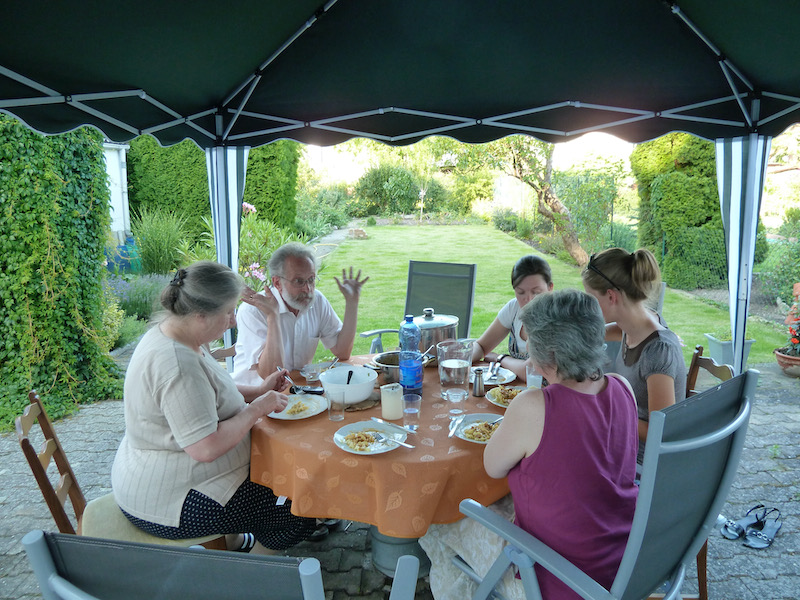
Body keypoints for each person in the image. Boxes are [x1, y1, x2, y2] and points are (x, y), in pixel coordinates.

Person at [420, 289, 639, 600]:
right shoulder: (622, 387)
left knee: (439, 521)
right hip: (621, 560)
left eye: (531, 343)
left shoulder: (535, 406)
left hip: (559, 575)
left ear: (548, 354)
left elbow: (493, 467)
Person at [111, 261, 315, 554]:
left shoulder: (179, 334)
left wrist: (257, 391)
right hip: (169, 501)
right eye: (229, 312)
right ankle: (247, 575)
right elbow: (205, 447)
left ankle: (232, 543)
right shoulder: (176, 364)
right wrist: (257, 408)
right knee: (297, 508)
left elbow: (212, 391)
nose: (233, 321)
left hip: (176, 479)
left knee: (280, 477)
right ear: (201, 315)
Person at [581, 247, 686, 463]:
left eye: (591, 299)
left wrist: (608, 408)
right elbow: (603, 333)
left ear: (611, 296)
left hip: (641, 464)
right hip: (621, 442)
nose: (587, 307)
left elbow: (661, 431)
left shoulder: (658, 351)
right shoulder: (633, 325)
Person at [232, 242, 368, 385]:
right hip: (254, 400)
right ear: (277, 283)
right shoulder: (253, 311)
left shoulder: (317, 300)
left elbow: (342, 352)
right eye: (299, 281)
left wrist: (352, 303)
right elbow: (270, 375)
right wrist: (273, 316)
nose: (308, 289)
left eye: (311, 279)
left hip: (297, 392)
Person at [471, 254, 553, 382]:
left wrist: (500, 358)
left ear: (550, 288)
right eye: (521, 292)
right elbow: (481, 346)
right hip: (520, 390)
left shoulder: (557, 318)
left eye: (536, 292)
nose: (529, 299)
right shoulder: (514, 308)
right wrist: (460, 360)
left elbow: (531, 371)